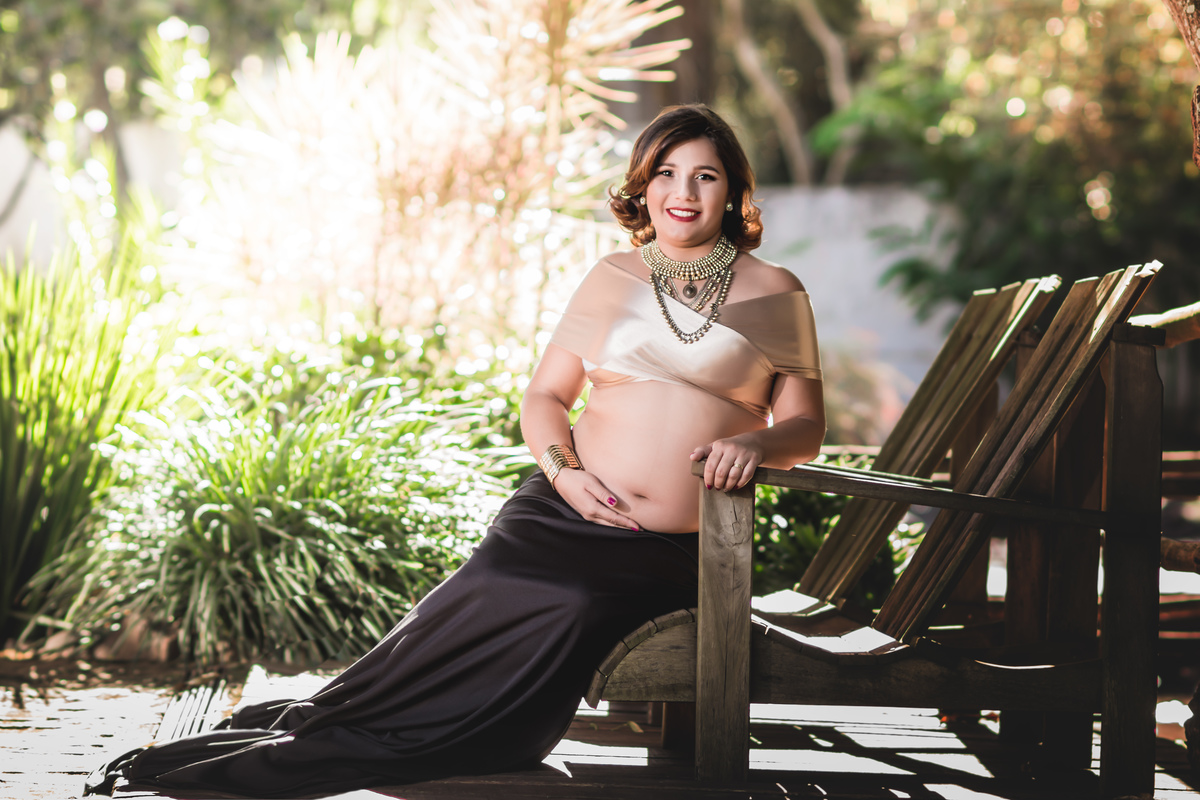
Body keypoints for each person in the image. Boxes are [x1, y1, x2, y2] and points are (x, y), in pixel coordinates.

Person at [85, 103, 825, 798]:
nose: (682, 192)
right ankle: (324, 729)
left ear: (732, 191)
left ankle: (416, 740)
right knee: (478, 594)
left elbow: (806, 427)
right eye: (665, 172)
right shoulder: (612, 277)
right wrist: (565, 476)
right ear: (643, 185)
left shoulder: (776, 291)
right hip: (560, 510)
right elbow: (545, 398)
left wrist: (756, 441)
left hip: (668, 547)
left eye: (704, 175)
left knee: (571, 602)